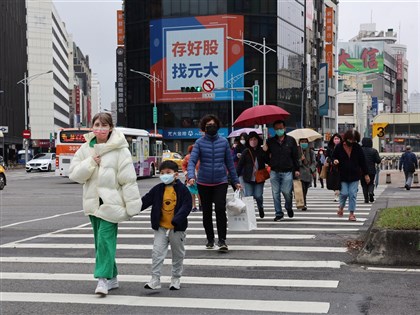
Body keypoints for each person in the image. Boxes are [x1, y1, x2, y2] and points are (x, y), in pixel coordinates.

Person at [69, 112, 141, 296]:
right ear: (92, 126)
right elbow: (75, 175)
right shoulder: (85, 149)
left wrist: (132, 205)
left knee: (104, 240)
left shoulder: (120, 149)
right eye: (97, 124)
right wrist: (91, 162)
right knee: (101, 243)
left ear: (110, 128)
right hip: (93, 204)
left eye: (104, 125)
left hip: (112, 204)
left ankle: (102, 279)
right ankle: (113, 277)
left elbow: (128, 180)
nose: (100, 129)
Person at [187, 114, 241, 251]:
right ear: (204, 128)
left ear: (217, 126)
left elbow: (229, 163)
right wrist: (191, 176)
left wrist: (236, 181)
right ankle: (210, 239)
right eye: (208, 126)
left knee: (220, 209)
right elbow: (192, 161)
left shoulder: (223, 142)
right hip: (203, 182)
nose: (211, 127)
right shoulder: (199, 143)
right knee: (206, 212)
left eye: (213, 125)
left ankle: (222, 240)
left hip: (220, 182)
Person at [141, 160, 192, 290]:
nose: (165, 175)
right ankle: (155, 279)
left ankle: (175, 278)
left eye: (168, 173)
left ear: (176, 174)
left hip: (177, 228)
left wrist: (177, 219)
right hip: (161, 228)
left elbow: (187, 206)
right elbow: (145, 201)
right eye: (162, 173)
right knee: (157, 253)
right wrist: (130, 209)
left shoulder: (183, 189)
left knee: (178, 254)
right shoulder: (157, 189)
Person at [263, 120, 300, 221]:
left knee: (286, 192)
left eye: (281, 128)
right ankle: (278, 213)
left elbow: (295, 156)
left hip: (287, 171)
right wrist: (265, 151)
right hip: (274, 170)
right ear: (274, 130)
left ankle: (288, 206)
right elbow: (266, 158)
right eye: (277, 129)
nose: (279, 130)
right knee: (275, 193)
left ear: (284, 128)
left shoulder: (291, 140)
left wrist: (297, 169)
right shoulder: (270, 141)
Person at [332, 129, 369, 221]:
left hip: (355, 175)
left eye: (354, 140)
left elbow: (362, 162)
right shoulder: (339, 147)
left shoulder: (357, 147)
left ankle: (351, 214)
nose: (351, 142)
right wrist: (335, 161)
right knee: (344, 193)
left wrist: (366, 174)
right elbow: (333, 156)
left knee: (352, 194)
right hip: (342, 175)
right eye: (350, 140)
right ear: (346, 138)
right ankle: (341, 207)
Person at [236, 131, 267, 218]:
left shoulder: (261, 150)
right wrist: (234, 179)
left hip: (259, 178)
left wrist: (266, 151)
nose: (253, 141)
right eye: (251, 139)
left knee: (258, 196)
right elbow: (240, 165)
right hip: (248, 178)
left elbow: (268, 160)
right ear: (248, 141)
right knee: (248, 197)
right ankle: (250, 215)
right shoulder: (246, 151)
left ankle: (260, 207)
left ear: (258, 140)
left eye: (255, 139)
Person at [297, 138, 316, 211]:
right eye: (302, 142)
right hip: (300, 173)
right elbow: (295, 162)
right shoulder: (297, 151)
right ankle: (303, 204)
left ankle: (302, 202)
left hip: (308, 174)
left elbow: (314, 162)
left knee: (305, 189)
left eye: (305, 142)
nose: (304, 143)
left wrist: (311, 169)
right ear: (299, 142)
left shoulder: (311, 152)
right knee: (301, 189)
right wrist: (300, 160)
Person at [361, 137, 382, 202]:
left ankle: (366, 199)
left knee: (364, 184)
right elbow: (378, 160)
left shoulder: (360, 150)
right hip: (371, 170)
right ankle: (370, 192)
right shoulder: (374, 151)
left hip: (362, 170)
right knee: (371, 183)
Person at [182, 144, 201, 212]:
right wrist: (186, 173)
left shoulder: (200, 157)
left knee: (199, 192)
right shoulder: (187, 157)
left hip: (199, 177)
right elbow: (183, 165)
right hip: (190, 177)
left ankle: (200, 205)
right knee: (192, 192)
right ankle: (194, 206)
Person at [326, 133, 343, 201]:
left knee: (339, 181)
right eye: (335, 139)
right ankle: (336, 193)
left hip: (341, 167)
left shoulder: (343, 147)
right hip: (332, 167)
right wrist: (332, 161)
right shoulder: (330, 147)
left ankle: (338, 194)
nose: (336, 140)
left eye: (338, 139)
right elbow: (327, 157)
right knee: (333, 181)